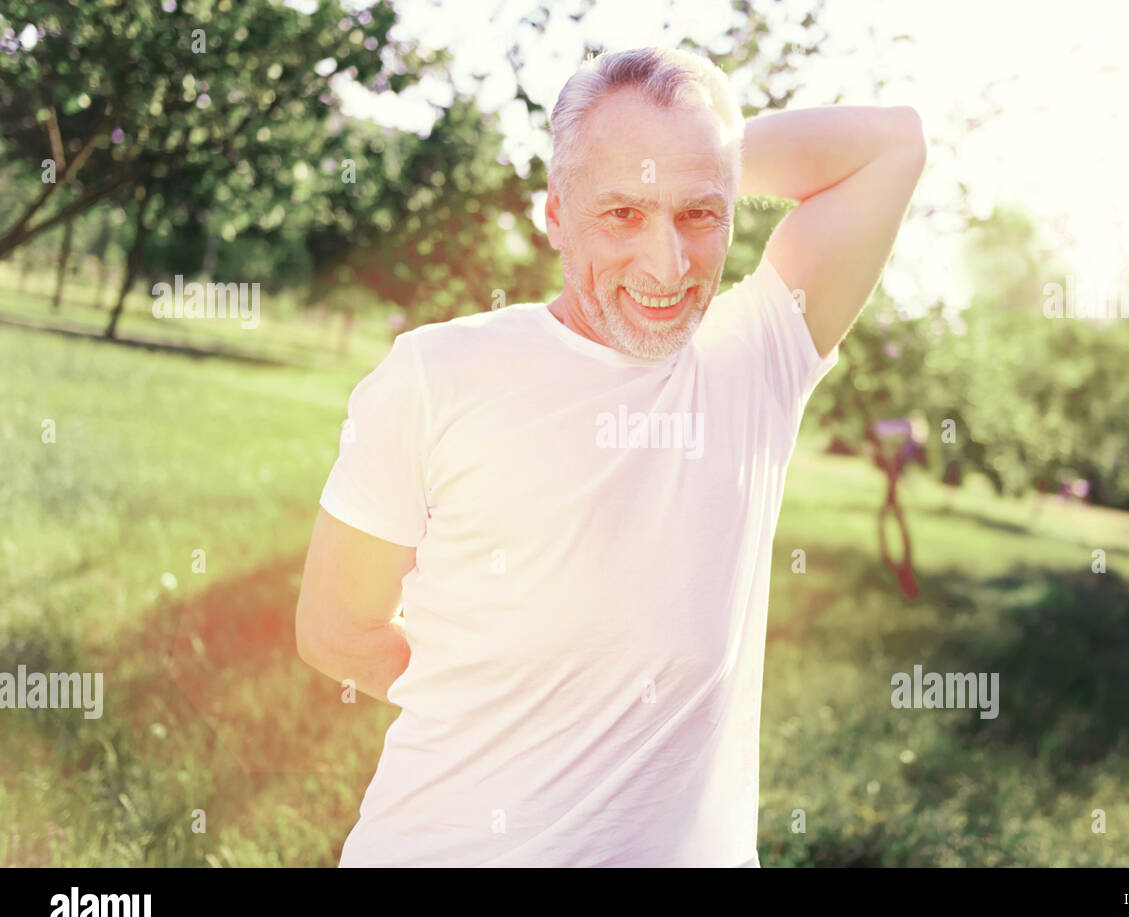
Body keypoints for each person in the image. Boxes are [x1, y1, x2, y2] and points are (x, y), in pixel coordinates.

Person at [295, 46, 925, 867]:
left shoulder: (755, 358)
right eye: (622, 212)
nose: (667, 265)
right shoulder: (433, 376)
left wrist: (710, 153)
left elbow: (895, 145)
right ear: (556, 213)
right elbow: (336, 630)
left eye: (700, 213)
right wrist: (509, 698)